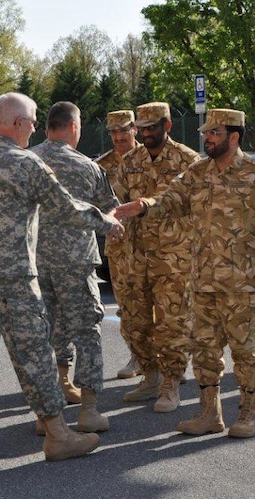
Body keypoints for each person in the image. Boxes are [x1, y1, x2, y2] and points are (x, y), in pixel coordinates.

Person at [0, 92, 124, 463]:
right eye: (34, 120)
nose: (36, 127)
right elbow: (67, 207)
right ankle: (57, 435)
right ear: (19, 123)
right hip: (13, 276)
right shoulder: (25, 164)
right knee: (35, 352)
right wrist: (107, 223)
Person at [114, 108, 255, 437]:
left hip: (244, 280)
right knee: (204, 349)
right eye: (206, 133)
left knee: (246, 351)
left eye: (215, 133)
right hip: (203, 279)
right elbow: (171, 198)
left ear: (234, 137)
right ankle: (210, 413)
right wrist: (142, 205)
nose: (207, 137)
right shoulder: (198, 171)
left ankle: (249, 414)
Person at [30, 101, 119, 432]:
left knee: (42, 334)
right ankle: (90, 411)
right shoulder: (87, 167)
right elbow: (111, 211)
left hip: (35, 263)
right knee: (87, 331)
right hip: (76, 262)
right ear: (72, 126)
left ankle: (47, 416)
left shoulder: (29, 161)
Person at [115, 101, 200, 413]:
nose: (147, 133)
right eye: (143, 128)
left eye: (153, 127)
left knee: (172, 323)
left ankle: (171, 383)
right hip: (135, 256)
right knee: (134, 322)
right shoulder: (130, 161)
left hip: (174, 259)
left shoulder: (189, 160)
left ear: (167, 126)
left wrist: (143, 205)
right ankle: (149, 376)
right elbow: (115, 197)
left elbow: (184, 200)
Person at [96, 109, 143, 379]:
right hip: (120, 245)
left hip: (154, 243)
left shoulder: (148, 157)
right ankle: (136, 356)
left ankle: (168, 361)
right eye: (113, 132)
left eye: (123, 130)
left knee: (162, 304)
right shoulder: (101, 166)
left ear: (134, 129)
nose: (118, 136)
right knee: (127, 304)